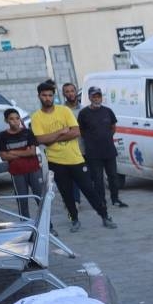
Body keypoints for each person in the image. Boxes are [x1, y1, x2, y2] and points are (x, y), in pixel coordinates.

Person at [30, 81, 116, 232]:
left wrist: (52, 139)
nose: (47, 98)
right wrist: (61, 132)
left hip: (75, 159)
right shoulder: (36, 117)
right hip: (55, 161)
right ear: (39, 96)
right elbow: (40, 140)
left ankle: (105, 216)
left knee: (89, 190)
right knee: (66, 194)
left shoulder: (64, 111)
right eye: (44, 95)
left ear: (54, 96)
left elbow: (76, 132)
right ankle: (74, 219)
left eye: (50, 95)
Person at [77, 86, 127, 209]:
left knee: (113, 177)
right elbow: (80, 130)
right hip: (93, 153)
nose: (97, 98)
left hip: (109, 151)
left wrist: (107, 137)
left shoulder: (108, 111)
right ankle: (101, 201)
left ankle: (115, 199)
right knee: (98, 179)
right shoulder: (84, 113)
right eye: (94, 96)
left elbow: (113, 127)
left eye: (98, 96)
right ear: (89, 97)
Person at [0, 108, 44, 219]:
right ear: (6, 121)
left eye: (17, 118)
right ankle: (26, 224)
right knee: (22, 200)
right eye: (11, 119)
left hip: (34, 170)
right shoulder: (2, 136)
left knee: (40, 198)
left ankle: (48, 226)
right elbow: (3, 156)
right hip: (17, 172)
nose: (15, 121)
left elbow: (32, 152)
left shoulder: (27, 133)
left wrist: (12, 152)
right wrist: (24, 152)